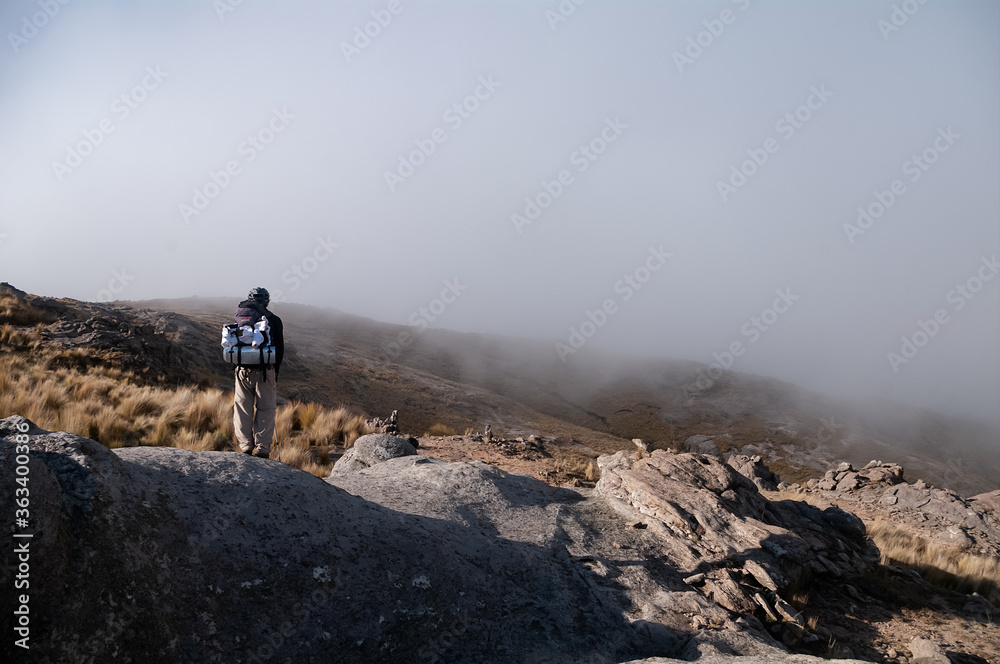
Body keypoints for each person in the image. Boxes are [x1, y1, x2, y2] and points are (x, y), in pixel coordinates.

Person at [233, 287, 284, 459]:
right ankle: (262, 449)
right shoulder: (274, 321)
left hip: (242, 369)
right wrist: (274, 372)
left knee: (242, 407)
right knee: (266, 408)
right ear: (267, 301)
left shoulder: (240, 318)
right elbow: (280, 350)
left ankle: (246, 446)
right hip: (265, 370)